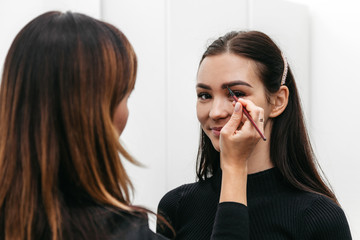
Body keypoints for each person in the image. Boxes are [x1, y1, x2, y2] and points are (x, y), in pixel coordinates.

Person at [0, 11, 255, 240]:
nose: (217, 112)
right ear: (92, 112)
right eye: (124, 95)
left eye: (235, 94)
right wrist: (233, 167)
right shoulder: (127, 229)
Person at [157, 31, 352, 240]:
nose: (215, 112)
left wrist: (234, 166)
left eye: (237, 94)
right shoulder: (177, 206)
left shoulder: (318, 217)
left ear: (278, 101)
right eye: (205, 95)